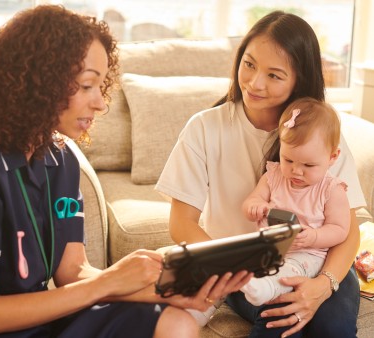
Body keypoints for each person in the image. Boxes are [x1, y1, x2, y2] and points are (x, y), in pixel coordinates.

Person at [0, 5, 252, 338]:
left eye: (100, 86)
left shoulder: (60, 159)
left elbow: (73, 272)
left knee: (176, 321)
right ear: (38, 83)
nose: (101, 103)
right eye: (85, 86)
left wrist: (166, 291)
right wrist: (110, 281)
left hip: (39, 319)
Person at [155, 10, 365, 338]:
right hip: (249, 268)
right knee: (279, 317)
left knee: (332, 327)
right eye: (249, 64)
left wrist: (322, 286)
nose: (255, 83)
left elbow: (348, 230)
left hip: (321, 259)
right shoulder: (204, 128)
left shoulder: (319, 135)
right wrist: (232, 270)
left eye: (274, 75)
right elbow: (181, 223)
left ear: (299, 79)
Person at [240, 97, 350, 307]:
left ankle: (266, 289)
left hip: (308, 254)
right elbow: (251, 201)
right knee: (233, 266)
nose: (296, 171)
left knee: (292, 268)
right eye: (288, 160)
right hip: (267, 249)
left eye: (309, 165)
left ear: (332, 157)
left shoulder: (331, 189)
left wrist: (315, 236)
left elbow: (340, 229)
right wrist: (255, 206)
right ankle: (203, 307)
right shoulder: (273, 176)